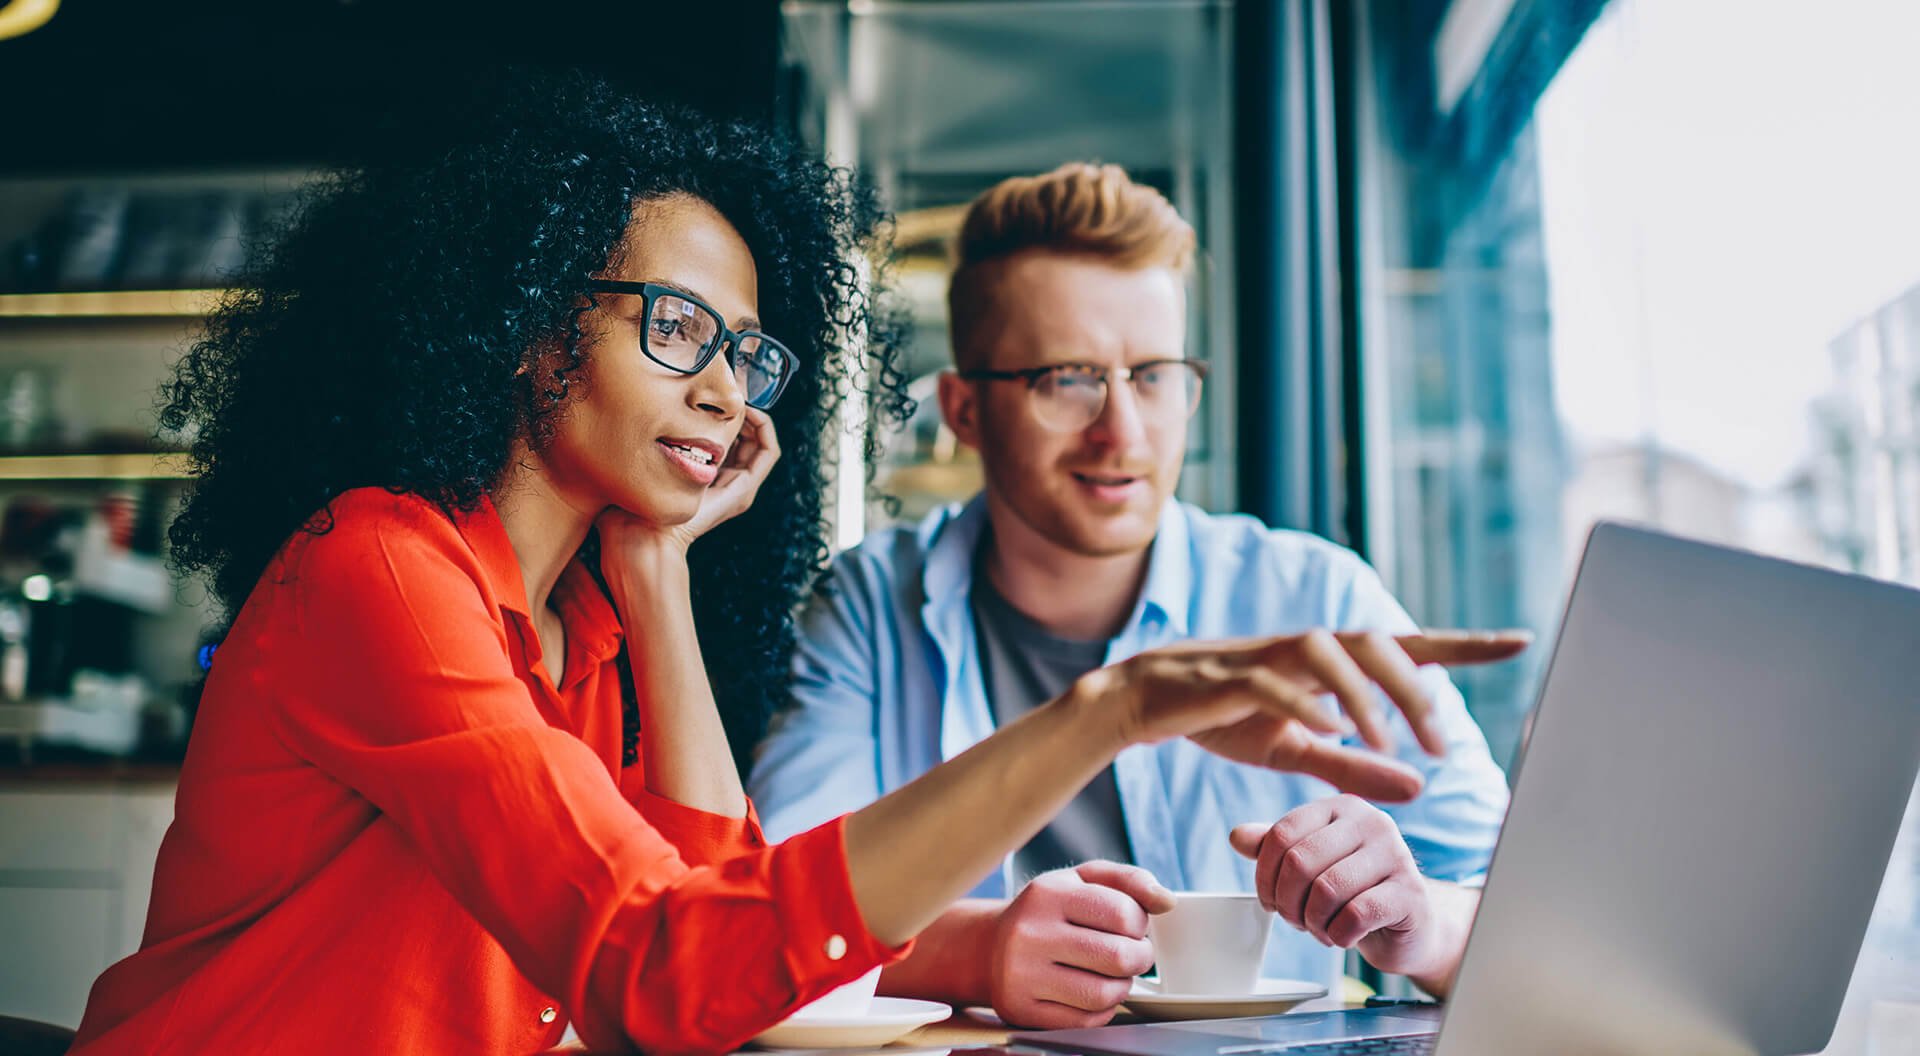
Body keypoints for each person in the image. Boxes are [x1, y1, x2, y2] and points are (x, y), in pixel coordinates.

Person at [67, 79, 1521, 1054]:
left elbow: (710, 920)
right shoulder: (380, 570)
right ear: (522, 324)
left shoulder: (588, 622)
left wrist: (654, 577)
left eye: (747, 353)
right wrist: (1111, 710)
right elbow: (666, 968)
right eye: (676, 330)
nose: (727, 393)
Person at [749, 163, 1517, 1029]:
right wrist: (980, 949)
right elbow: (769, 915)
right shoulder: (869, 605)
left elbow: (1527, 914)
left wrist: (1421, 925)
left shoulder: (1315, 596)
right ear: (964, 411)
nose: (1124, 430)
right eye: (1067, 379)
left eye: (1153, 375)